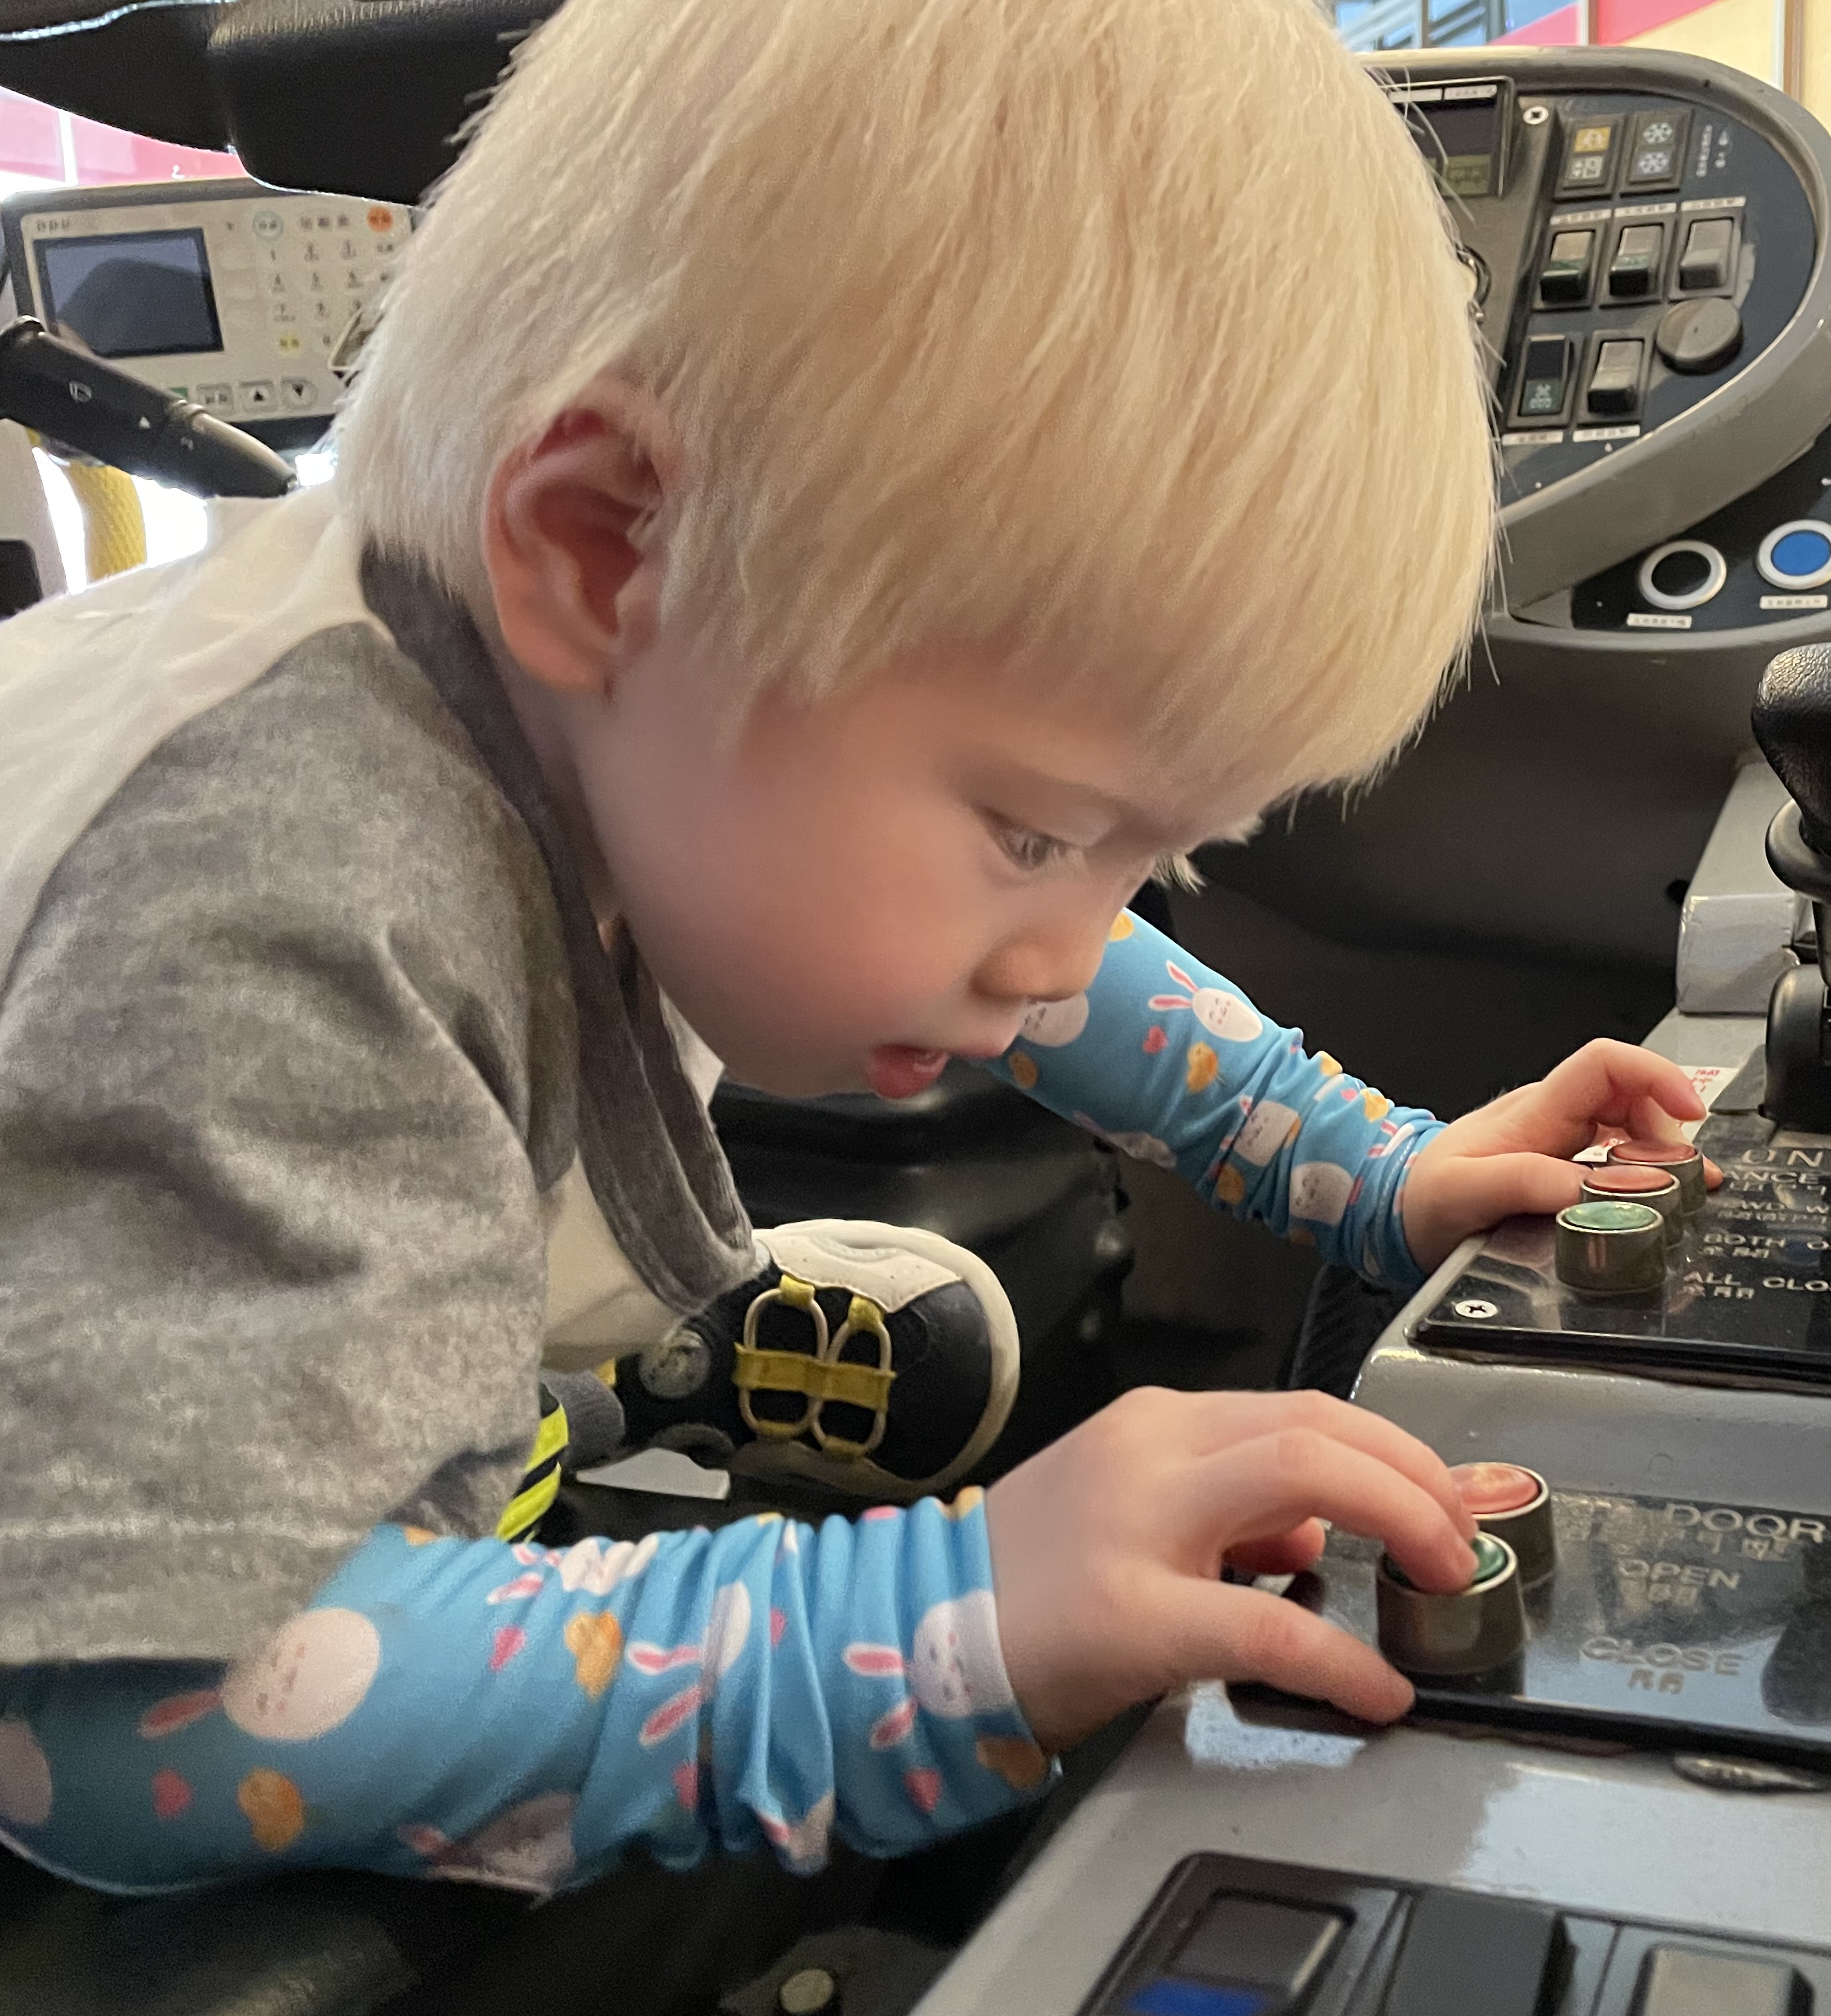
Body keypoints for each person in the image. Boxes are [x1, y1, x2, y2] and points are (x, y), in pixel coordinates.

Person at [0, 0, 1714, 1899]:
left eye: (1147, 852)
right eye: (1034, 834)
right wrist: (937, 1624)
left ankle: (587, 1350)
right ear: (605, 547)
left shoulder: (589, 693)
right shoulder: (282, 901)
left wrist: (1364, 1163)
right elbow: (132, 1728)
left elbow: (1057, 965)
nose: (1064, 949)